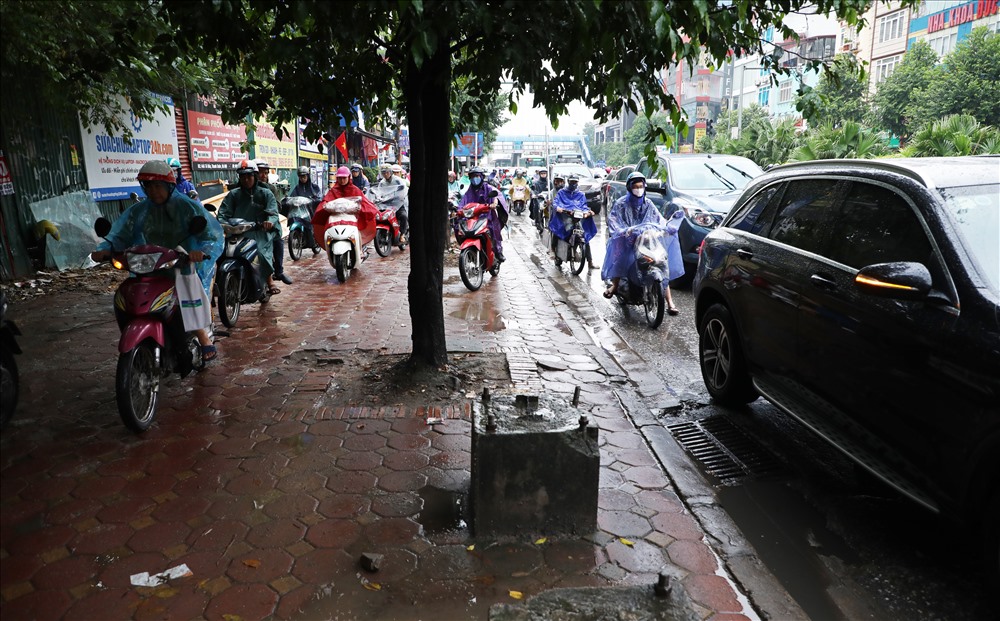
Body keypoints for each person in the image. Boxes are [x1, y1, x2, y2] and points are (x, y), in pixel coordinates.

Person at [91, 160, 223, 363]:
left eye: (157, 186)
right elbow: (120, 233)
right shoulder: (139, 211)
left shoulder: (187, 207)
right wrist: (104, 249)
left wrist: (199, 251)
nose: (153, 191)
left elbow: (211, 235)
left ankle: (204, 339)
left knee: (188, 295)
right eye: (148, 186)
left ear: (170, 186)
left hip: (181, 262)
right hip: (150, 264)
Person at [601, 171, 680, 314]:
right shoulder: (621, 204)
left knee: (661, 263)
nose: (638, 189)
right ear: (630, 188)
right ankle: (614, 286)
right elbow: (613, 221)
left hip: (647, 241)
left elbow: (659, 219)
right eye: (635, 186)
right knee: (621, 258)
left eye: (641, 186)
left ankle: (670, 302)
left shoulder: (648, 203)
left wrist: (668, 228)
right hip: (628, 242)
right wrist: (625, 232)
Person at [218, 159, 281, 297]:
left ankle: (269, 281)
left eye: (249, 176)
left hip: (259, 232)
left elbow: (273, 212)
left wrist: (269, 222)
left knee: (260, 253)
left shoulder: (266, 193)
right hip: (237, 232)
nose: (246, 179)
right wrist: (221, 223)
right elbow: (223, 213)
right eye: (242, 176)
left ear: (255, 176)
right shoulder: (233, 194)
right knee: (219, 253)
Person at [312, 165, 379, 248]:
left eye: (344, 178)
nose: (342, 180)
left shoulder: (355, 190)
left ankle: (360, 249)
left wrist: (362, 208)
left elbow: (364, 202)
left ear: (349, 177)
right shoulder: (333, 190)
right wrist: (324, 207)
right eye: (340, 178)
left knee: (357, 232)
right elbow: (326, 201)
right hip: (335, 218)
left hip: (351, 217)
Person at [254, 160, 292, 285]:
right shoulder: (242, 190)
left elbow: (277, 206)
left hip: (268, 223)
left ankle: (279, 271)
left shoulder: (271, 188)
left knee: (278, 241)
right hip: (250, 223)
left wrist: (269, 217)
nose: (263, 175)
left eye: (265, 173)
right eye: (260, 173)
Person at [459, 166, 508, 262]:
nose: (475, 179)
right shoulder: (469, 191)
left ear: (481, 177)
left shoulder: (488, 188)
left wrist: (494, 203)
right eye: (472, 176)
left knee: (494, 231)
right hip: (472, 218)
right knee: (460, 228)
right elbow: (462, 203)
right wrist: (458, 210)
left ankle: (498, 252)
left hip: (487, 217)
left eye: (477, 176)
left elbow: (496, 196)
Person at [549, 174, 597, 269]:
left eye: (575, 182)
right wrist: (558, 208)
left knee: (585, 236)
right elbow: (556, 202)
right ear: (568, 182)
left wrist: (587, 212)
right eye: (572, 182)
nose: (573, 184)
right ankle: (553, 249)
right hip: (565, 216)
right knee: (558, 230)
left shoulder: (580, 194)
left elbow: (583, 205)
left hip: (577, 217)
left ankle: (590, 261)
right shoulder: (561, 192)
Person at [290, 166, 323, 255]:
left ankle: (313, 240)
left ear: (308, 176)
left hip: (311, 211)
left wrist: (314, 200)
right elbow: (292, 196)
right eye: (301, 177)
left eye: (304, 176)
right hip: (300, 211)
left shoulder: (314, 187)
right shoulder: (297, 188)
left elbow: (319, 196)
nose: (303, 179)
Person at [377, 164, 409, 242]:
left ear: (391, 172)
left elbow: (403, 189)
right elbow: (378, 192)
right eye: (383, 173)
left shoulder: (398, 180)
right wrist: (378, 198)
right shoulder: (382, 182)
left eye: (387, 172)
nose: (385, 174)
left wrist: (400, 196)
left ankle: (402, 234)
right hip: (386, 204)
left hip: (397, 204)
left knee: (403, 216)